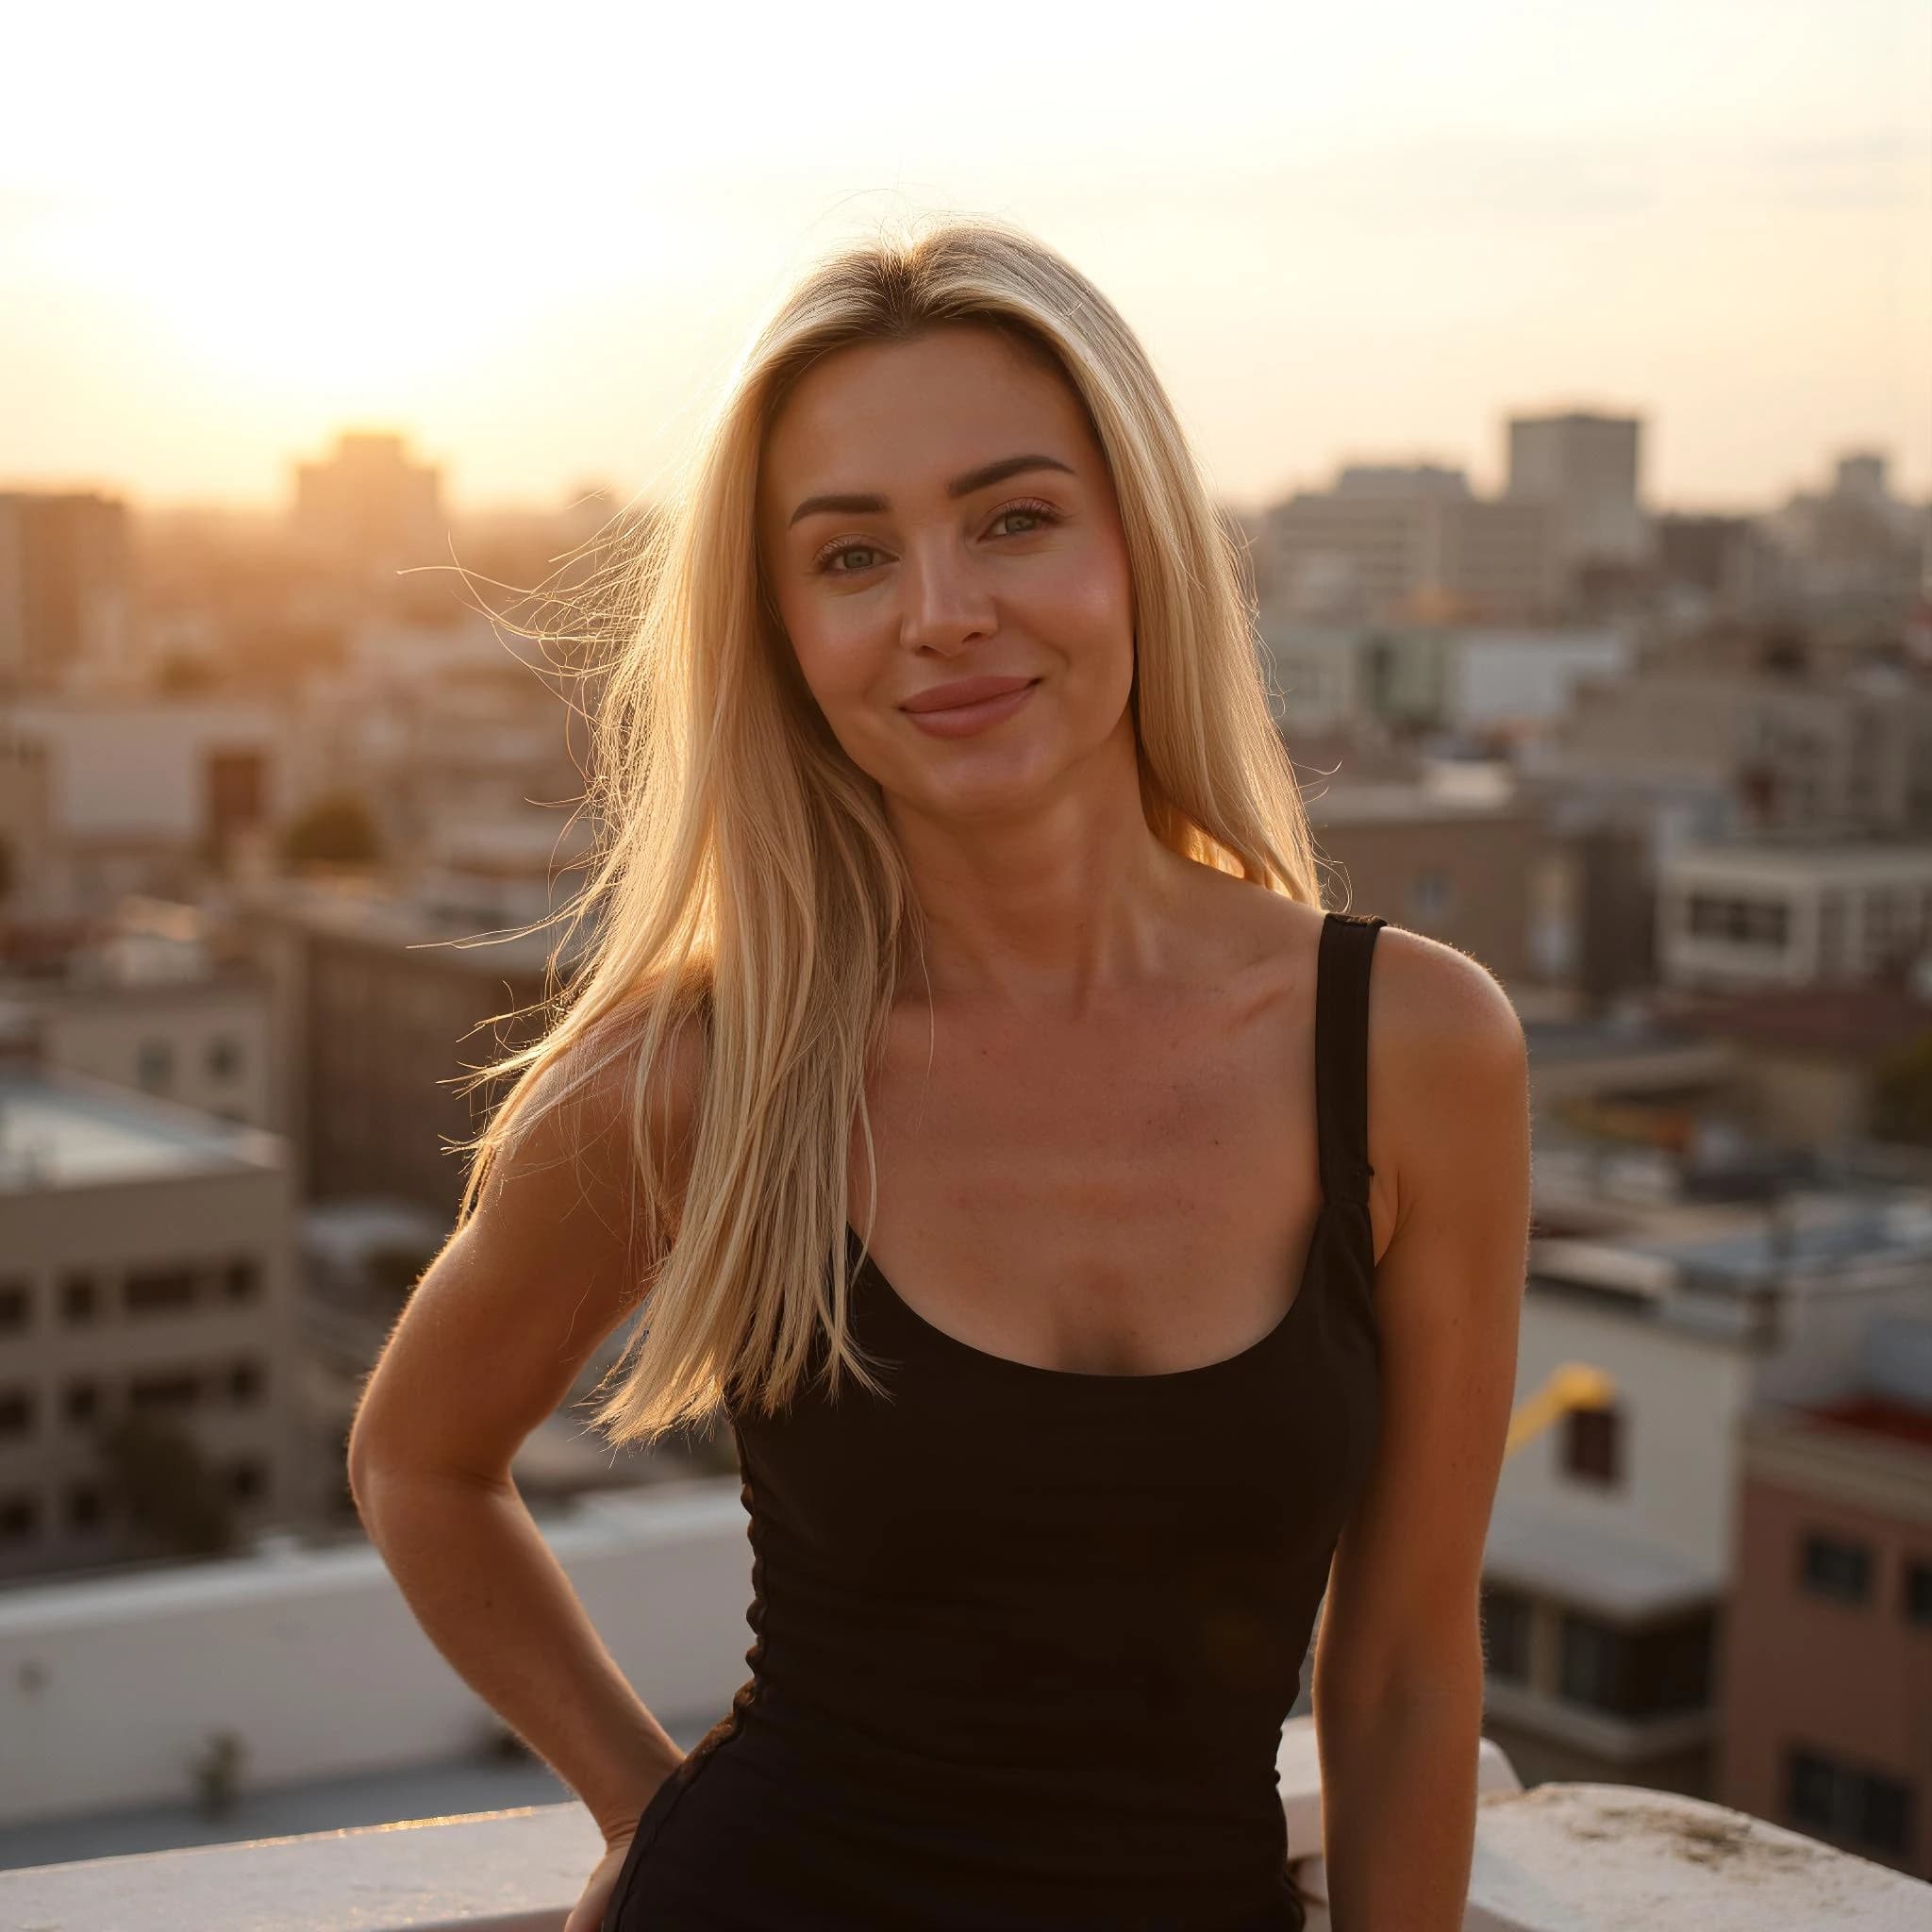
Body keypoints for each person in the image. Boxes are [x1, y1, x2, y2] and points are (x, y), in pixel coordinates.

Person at [347, 214, 1532, 1932]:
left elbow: (1410, 1669)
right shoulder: (707, 1071)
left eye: (1016, 520)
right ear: (782, 632)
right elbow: (417, 1462)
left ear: (1140, 547)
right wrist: (642, 1810)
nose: (945, 615)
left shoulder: (1416, 1049)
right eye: (851, 557)